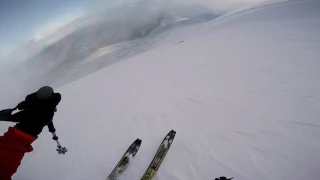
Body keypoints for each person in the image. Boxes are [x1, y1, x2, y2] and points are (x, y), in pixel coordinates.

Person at [0, 86, 61, 180]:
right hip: (20, 141)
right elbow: (48, 120)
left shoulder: (31, 108)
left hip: (15, 138)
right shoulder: (9, 162)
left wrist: (10, 115)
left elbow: (18, 116)